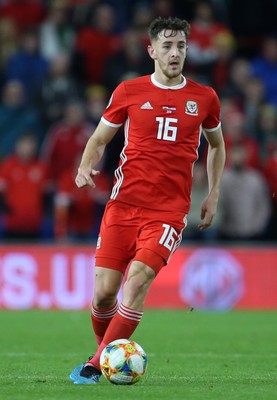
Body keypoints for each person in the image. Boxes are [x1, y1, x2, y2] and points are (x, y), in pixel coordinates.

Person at [69, 16, 225, 385]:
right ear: (151, 50)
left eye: (182, 47)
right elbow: (98, 139)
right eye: (168, 46)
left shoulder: (204, 98)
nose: (175, 53)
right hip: (123, 206)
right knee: (105, 293)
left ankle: (93, 365)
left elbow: (217, 146)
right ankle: (108, 351)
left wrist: (214, 192)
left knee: (137, 281)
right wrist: (84, 166)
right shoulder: (128, 91)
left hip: (168, 212)